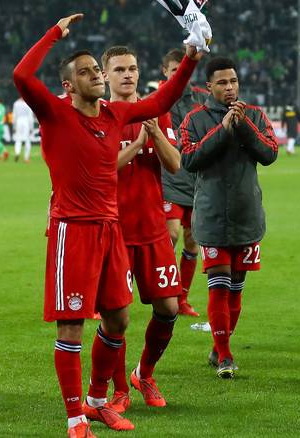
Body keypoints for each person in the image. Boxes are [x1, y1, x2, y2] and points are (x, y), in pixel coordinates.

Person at [12, 13, 201, 438]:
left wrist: (191, 57)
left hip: (111, 229)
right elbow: (22, 76)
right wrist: (54, 34)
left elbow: (162, 101)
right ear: (68, 85)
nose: (96, 75)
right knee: (71, 326)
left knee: (118, 319)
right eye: (86, 72)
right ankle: (75, 418)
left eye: (96, 70)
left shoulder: (115, 114)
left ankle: (97, 402)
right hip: (73, 229)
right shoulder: (55, 113)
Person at [179, 56, 279, 379]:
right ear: (209, 86)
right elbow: (189, 159)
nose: (230, 87)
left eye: (233, 81)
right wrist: (222, 130)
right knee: (219, 286)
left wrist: (244, 126)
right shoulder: (195, 119)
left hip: (246, 215)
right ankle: (224, 356)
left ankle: (218, 346)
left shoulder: (255, 115)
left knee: (236, 288)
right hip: (211, 216)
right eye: (222, 82)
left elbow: (270, 153)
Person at [102, 45, 183, 410]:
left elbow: (175, 164)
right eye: (119, 69)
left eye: (132, 68)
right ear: (106, 75)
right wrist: (137, 144)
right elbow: (102, 168)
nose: (128, 75)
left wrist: (156, 135)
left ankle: (144, 374)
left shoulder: (156, 111)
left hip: (152, 228)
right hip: (115, 231)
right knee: (116, 316)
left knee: (168, 307)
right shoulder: (101, 115)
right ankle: (119, 390)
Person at [160, 49, 203, 317]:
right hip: (170, 178)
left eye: (182, 70)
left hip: (195, 179)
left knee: (192, 242)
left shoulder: (200, 99)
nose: (179, 75)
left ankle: (182, 299)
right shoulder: (159, 99)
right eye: (174, 70)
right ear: (165, 71)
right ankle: (164, 292)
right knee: (171, 234)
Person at [12, 96, 36, 162]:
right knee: (27, 140)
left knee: (18, 139)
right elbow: (30, 116)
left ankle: (17, 152)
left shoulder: (16, 103)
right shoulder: (28, 102)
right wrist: (31, 127)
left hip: (18, 121)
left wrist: (14, 126)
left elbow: (14, 115)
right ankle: (26, 158)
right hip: (26, 121)